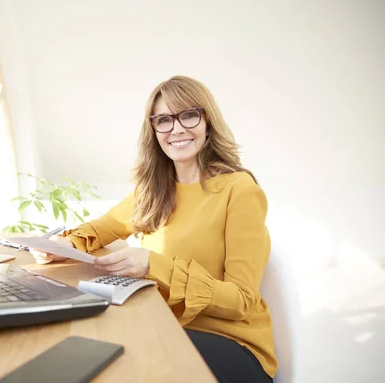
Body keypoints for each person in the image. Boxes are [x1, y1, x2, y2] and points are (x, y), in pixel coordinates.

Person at [30, 76, 276, 382]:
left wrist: (153, 264)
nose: (177, 129)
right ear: (154, 130)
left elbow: (241, 300)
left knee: (117, 356)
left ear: (208, 121)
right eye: (164, 120)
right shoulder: (153, 191)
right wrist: (63, 247)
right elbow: (101, 228)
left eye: (188, 115)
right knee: (85, 341)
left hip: (232, 346)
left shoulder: (238, 190)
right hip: (163, 328)